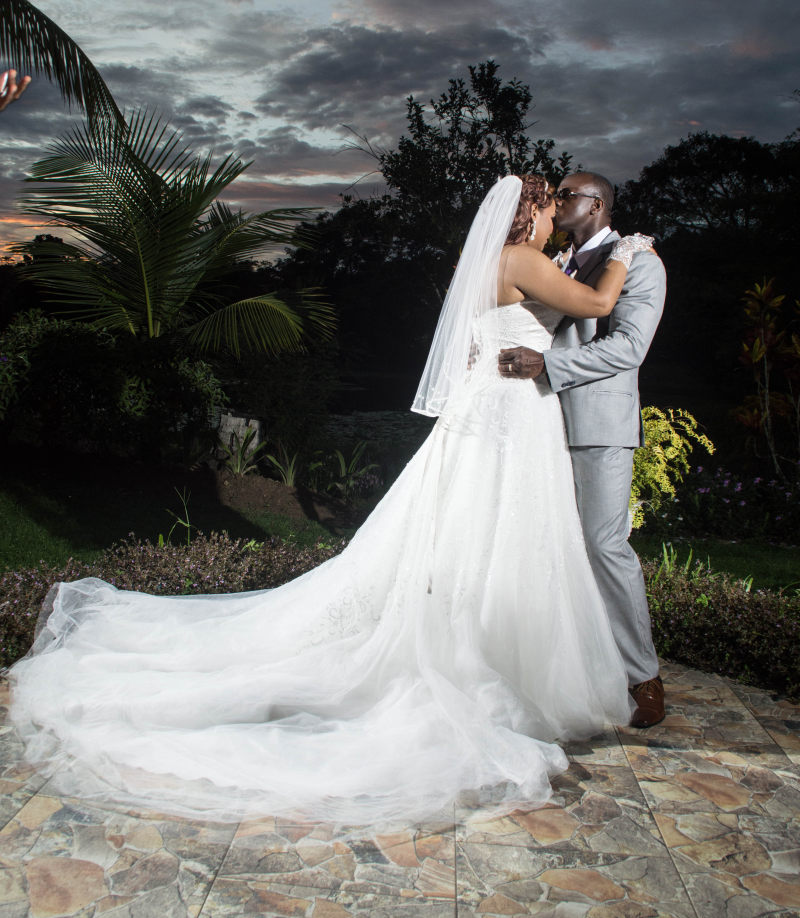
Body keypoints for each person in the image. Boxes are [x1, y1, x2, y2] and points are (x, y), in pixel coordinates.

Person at [9, 175, 651, 828]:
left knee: (476, 533)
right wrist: (631, 249)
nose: (550, 218)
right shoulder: (522, 259)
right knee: (506, 533)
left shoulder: (493, 261)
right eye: (545, 208)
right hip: (511, 416)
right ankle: (500, 661)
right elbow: (598, 303)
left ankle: (496, 647)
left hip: (490, 410)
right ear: (527, 214)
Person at [498, 172, 667, 727]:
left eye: (566, 195)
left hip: (597, 425)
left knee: (602, 545)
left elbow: (629, 347)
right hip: (539, 422)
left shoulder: (640, 262)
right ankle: (572, 667)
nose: (555, 202)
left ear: (595, 204)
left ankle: (643, 675)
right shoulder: (553, 263)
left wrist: (551, 365)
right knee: (549, 545)